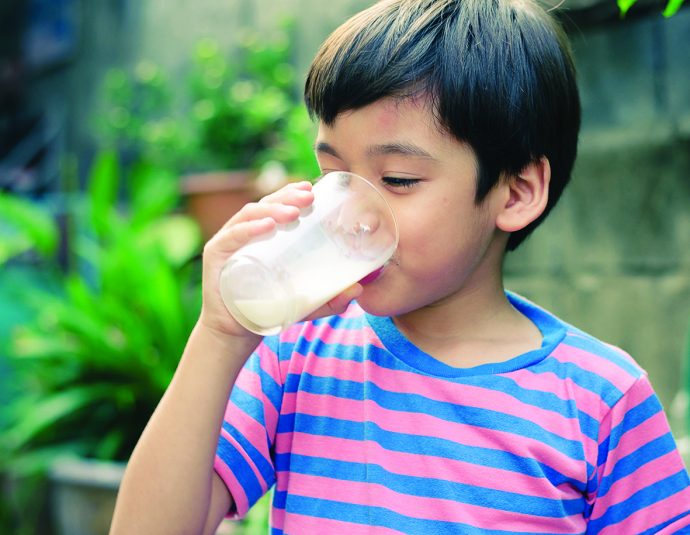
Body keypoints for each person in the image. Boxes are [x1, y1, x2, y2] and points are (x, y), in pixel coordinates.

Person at [110, 0, 690, 533]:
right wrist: (219, 335)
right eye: (334, 174)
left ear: (514, 193)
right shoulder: (298, 356)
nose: (350, 215)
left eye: (397, 181)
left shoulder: (601, 402)